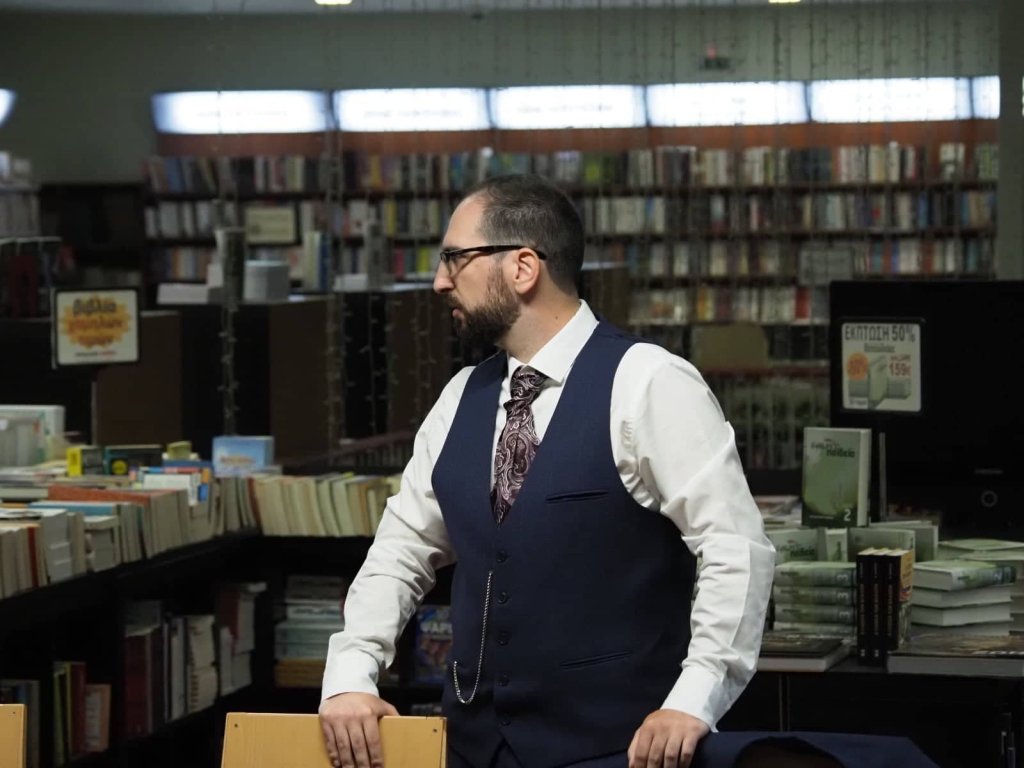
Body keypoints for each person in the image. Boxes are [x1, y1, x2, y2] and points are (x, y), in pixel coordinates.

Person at [319, 173, 775, 768]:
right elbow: (399, 553)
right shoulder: (460, 396)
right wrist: (351, 674)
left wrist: (694, 700)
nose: (439, 281)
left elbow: (735, 548)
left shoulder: (649, 382)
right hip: (473, 747)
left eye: (455, 258)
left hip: (617, 749)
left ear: (523, 267)